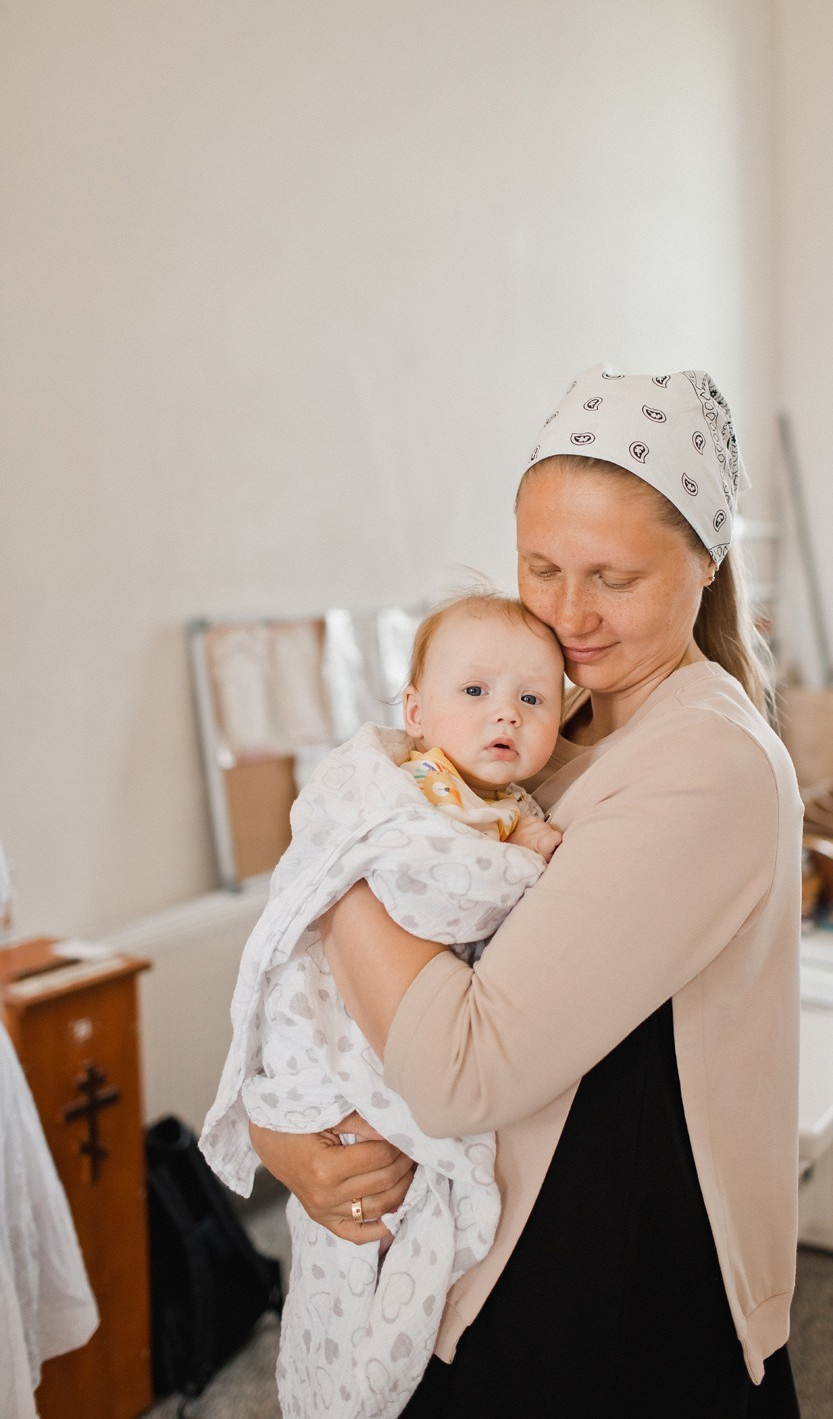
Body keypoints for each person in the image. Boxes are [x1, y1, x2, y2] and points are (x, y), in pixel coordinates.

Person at [251, 366, 804, 1417]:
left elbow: (462, 1070)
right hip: (487, 1237)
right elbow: (355, 998)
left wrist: (336, 845)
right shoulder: (548, 726)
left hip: (602, 1286)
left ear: (706, 562)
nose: (566, 614)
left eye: (614, 578)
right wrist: (297, 1140)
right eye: (540, 567)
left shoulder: (704, 761)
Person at [200, 592, 566, 1419]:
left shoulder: (504, 806)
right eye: (474, 692)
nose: (503, 713)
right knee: (350, 1241)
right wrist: (518, 865)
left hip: (413, 1044)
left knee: (382, 1244)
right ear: (415, 712)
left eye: (531, 699)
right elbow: (425, 897)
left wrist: (518, 839)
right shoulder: (414, 791)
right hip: (336, 1043)